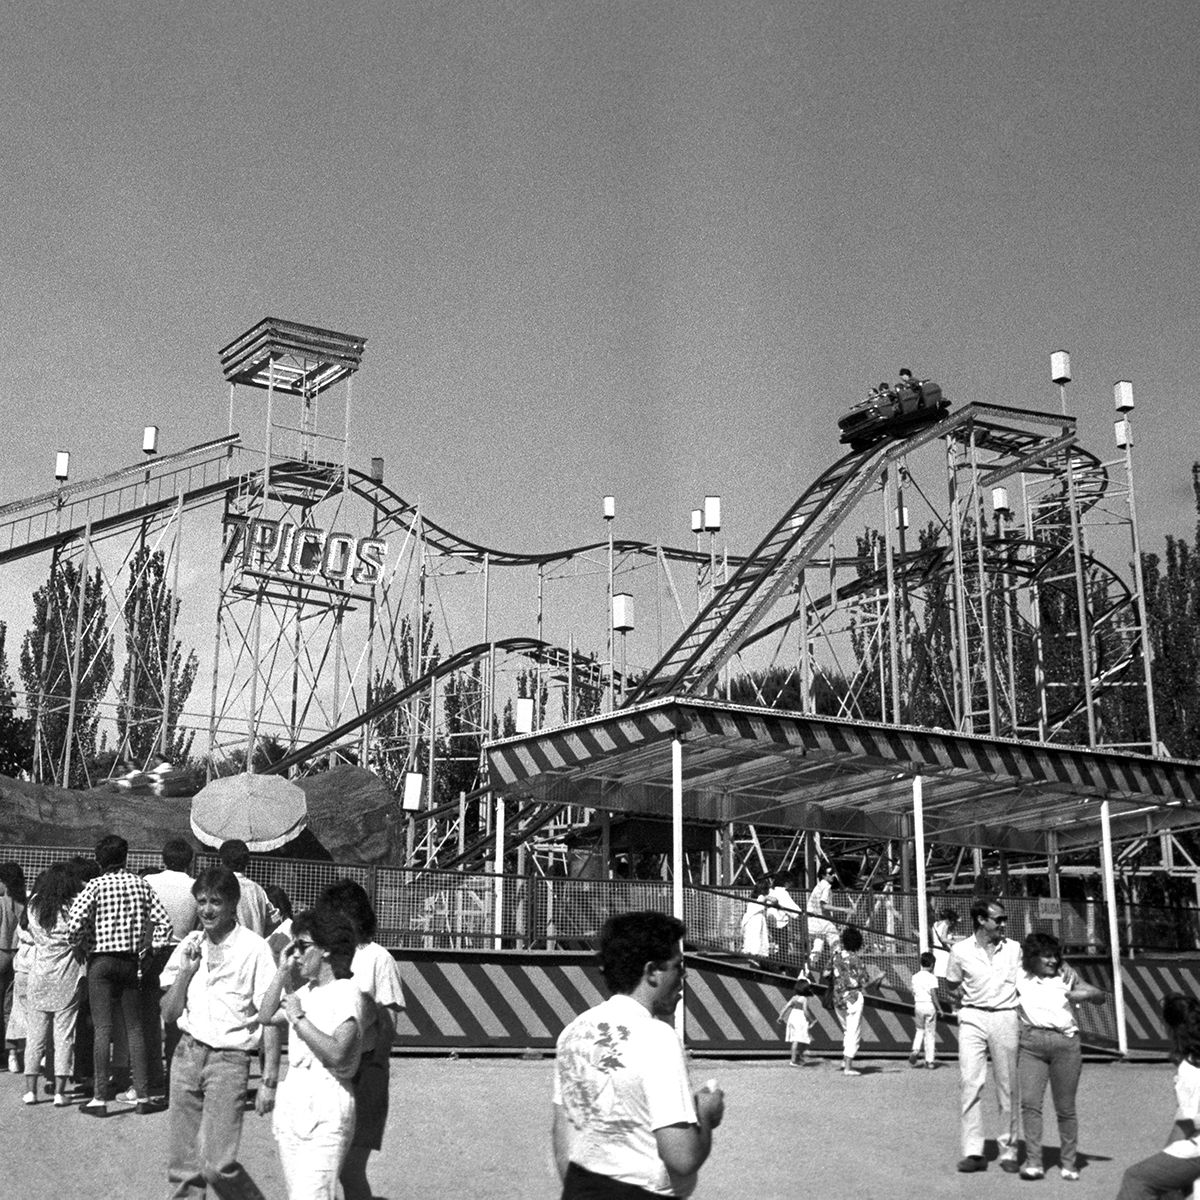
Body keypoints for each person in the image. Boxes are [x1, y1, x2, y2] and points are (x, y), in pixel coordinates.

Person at [552, 910, 725, 1198]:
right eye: (678, 967)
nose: (683, 978)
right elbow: (683, 1159)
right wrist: (706, 1114)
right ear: (652, 972)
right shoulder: (658, 1037)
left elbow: (563, 1137)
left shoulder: (573, 1032)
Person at [160, 865, 279, 1199]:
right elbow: (168, 1013)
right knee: (184, 1169)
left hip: (229, 1061)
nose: (207, 910)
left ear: (233, 904)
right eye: (201, 901)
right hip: (186, 1055)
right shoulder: (188, 944)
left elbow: (269, 1017)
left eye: (215, 902)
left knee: (217, 1164)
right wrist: (185, 973)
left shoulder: (255, 949)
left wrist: (269, 1081)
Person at [261, 906, 365, 1200]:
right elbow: (266, 1016)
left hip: (327, 1107)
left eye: (302, 946)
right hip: (294, 1104)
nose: (296, 954)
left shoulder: (346, 992)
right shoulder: (306, 992)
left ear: (327, 950)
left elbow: (338, 1053)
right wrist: (282, 970)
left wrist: (299, 1020)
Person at [65, 833, 174, 1115]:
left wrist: (86, 942)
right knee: (134, 1028)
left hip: (101, 961)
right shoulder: (141, 884)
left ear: (99, 860)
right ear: (125, 857)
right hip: (130, 962)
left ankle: (100, 1098)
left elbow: (74, 925)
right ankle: (142, 1097)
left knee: (103, 1028)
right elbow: (164, 924)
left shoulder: (94, 886)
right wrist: (150, 951)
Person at [318, 879, 406, 1200]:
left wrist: (375, 1072)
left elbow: (389, 1022)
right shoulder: (327, 956)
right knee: (326, 1166)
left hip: (365, 1071)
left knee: (349, 1169)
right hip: (330, 1072)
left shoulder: (378, 958)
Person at [1014, 931, 1106, 1182]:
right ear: (1032, 957)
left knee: (1065, 1108)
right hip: (1031, 1045)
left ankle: (1068, 1163)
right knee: (1030, 1103)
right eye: (1046, 957)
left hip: (1065, 1045)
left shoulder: (1067, 976)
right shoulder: (1019, 975)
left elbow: (1100, 997)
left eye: (1056, 956)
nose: (1053, 961)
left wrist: (1085, 994)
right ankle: (1034, 1162)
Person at [946, 897, 1022, 1174]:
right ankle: (973, 1152)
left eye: (1003, 919)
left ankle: (1010, 1150)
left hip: (1005, 1015)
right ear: (981, 920)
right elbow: (952, 982)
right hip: (972, 1017)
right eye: (998, 919)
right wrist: (964, 1000)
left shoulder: (1014, 949)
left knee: (1008, 1084)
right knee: (969, 1082)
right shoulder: (961, 950)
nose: (1003, 923)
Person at [1114, 995, 1200, 1200]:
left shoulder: (1190, 1068)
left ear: (1170, 1028)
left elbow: (1186, 1125)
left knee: (1137, 1179)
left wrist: (1164, 1156)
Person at [23, 863, 87, 1106]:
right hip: (67, 977)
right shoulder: (73, 907)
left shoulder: (34, 906)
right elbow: (79, 936)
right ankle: (60, 1092)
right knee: (64, 1035)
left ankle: (31, 1090)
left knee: (35, 1035)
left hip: (39, 975)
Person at [144, 837, 199, 1101]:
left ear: (163, 859)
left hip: (152, 951)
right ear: (189, 862)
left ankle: (150, 1074)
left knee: (148, 1019)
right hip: (181, 951)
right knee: (176, 1019)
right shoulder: (195, 887)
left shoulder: (149, 883)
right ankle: (172, 1078)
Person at [218, 840, 281, 937]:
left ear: (223, 861)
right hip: (256, 948)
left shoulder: (220, 887)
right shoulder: (258, 890)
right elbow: (274, 920)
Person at [0, 862, 28, 1072]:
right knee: (11, 1008)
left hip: (0, 953)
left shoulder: (1, 902)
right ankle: (12, 1054)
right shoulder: (24, 903)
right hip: (19, 958)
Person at [832, 923, 866, 1076]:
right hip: (853, 997)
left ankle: (844, 1061)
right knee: (853, 1032)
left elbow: (826, 973)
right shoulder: (856, 960)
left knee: (847, 1030)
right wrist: (879, 978)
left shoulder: (836, 957)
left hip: (838, 997)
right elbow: (864, 981)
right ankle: (848, 1066)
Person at [909, 950, 942, 1069]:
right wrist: (940, 1008)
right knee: (930, 1034)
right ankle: (930, 1061)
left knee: (919, 1030)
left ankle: (915, 1050)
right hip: (929, 1006)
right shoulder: (933, 978)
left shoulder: (914, 977)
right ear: (932, 965)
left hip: (918, 1005)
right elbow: (933, 995)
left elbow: (913, 991)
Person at [805, 863, 841, 973]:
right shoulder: (826, 886)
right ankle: (838, 969)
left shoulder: (819, 886)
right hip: (819, 921)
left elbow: (821, 909)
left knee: (818, 946)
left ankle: (805, 972)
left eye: (833, 873)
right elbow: (823, 905)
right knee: (836, 943)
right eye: (830, 873)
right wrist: (845, 909)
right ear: (823, 875)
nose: (833, 875)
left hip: (812, 920)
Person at [778, 976, 817, 1067]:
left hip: (792, 1016)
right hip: (800, 1018)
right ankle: (794, 1060)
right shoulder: (804, 999)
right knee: (801, 1039)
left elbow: (786, 1007)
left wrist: (781, 1016)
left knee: (796, 1039)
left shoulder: (794, 997)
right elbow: (805, 1011)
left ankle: (796, 1058)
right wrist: (812, 1020)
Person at [766, 870, 801, 962]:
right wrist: (802, 914)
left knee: (774, 947)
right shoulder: (783, 893)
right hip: (779, 925)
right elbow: (795, 911)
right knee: (782, 950)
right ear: (786, 883)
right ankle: (780, 969)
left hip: (768, 923)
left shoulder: (770, 891)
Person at [739, 879, 772, 964]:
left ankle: (750, 955)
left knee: (750, 937)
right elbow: (774, 900)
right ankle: (755, 956)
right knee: (758, 937)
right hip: (757, 919)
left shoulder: (751, 898)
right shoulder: (762, 897)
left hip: (749, 919)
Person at [931, 907, 959, 979]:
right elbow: (943, 939)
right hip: (944, 953)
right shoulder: (945, 925)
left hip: (936, 951)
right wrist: (956, 942)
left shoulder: (935, 924)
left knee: (938, 974)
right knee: (946, 975)